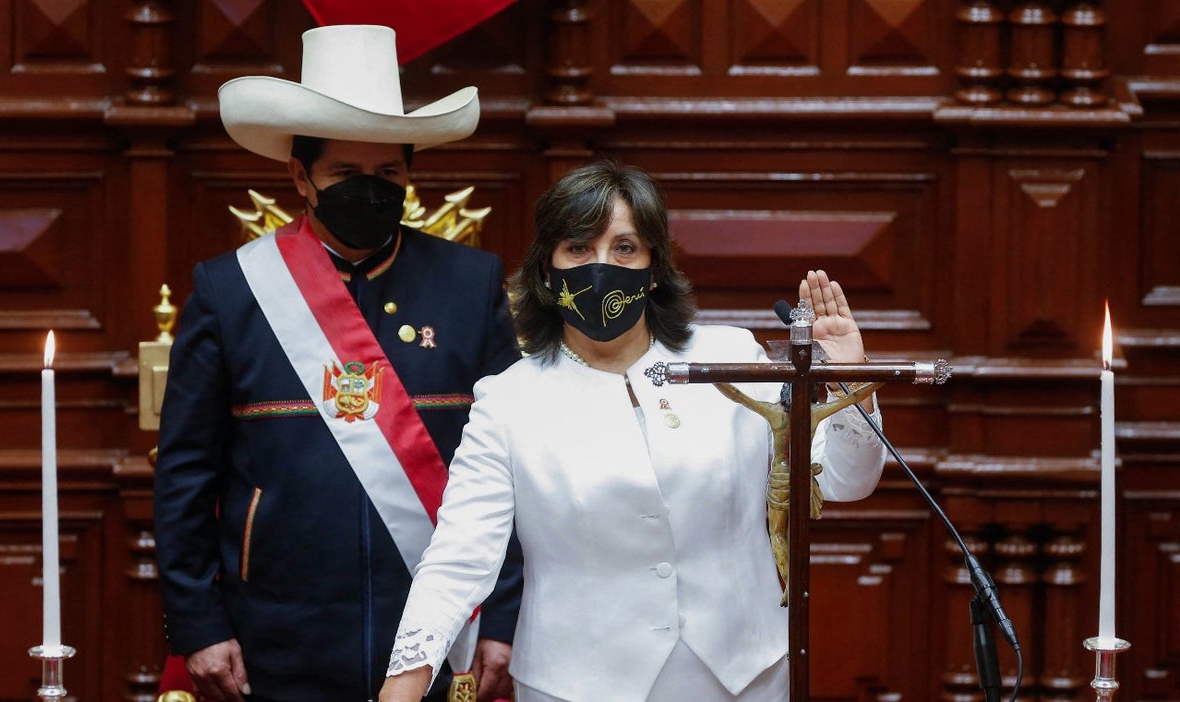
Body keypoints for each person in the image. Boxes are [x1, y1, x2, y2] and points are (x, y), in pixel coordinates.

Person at [379, 161, 885, 702]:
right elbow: (460, 557)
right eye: (578, 248)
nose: (602, 267)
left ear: (654, 267)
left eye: (625, 248)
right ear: (547, 270)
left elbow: (844, 481)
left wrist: (850, 385)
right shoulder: (508, 400)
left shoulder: (734, 359)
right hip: (575, 685)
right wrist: (404, 682)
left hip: (746, 676)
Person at [153, 25, 523, 702]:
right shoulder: (229, 291)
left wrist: (502, 615)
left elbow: (513, 467)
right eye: (347, 175)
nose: (371, 191)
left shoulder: (470, 285)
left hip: (440, 629)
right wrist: (197, 623)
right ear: (301, 176)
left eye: (388, 174)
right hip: (275, 632)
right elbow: (184, 472)